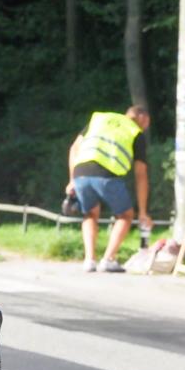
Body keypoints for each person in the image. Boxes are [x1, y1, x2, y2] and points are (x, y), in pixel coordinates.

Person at [66, 105, 152, 273]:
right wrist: (142, 211)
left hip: (80, 172)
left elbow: (74, 148)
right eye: (148, 122)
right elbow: (141, 174)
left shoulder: (99, 119)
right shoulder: (135, 132)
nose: (147, 126)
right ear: (142, 118)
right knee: (126, 215)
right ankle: (108, 259)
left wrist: (71, 180)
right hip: (107, 175)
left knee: (90, 214)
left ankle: (89, 260)